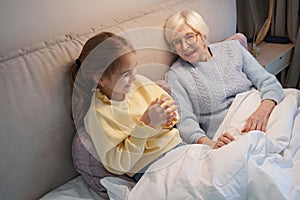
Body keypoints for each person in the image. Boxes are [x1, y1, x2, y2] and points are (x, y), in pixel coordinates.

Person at [70, 32, 183, 183]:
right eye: (126, 74)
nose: (134, 77)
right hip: (150, 167)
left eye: (134, 68)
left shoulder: (139, 84)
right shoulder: (98, 115)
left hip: (178, 147)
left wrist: (167, 117)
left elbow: (173, 114)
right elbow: (118, 165)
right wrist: (145, 125)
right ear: (100, 78)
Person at [164, 10, 285, 149]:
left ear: (202, 34)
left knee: (291, 102)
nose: (185, 46)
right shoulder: (176, 75)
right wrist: (212, 145)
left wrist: (263, 111)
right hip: (230, 131)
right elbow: (186, 125)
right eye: (177, 42)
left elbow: (268, 82)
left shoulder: (233, 48)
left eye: (189, 37)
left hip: (261, 110)